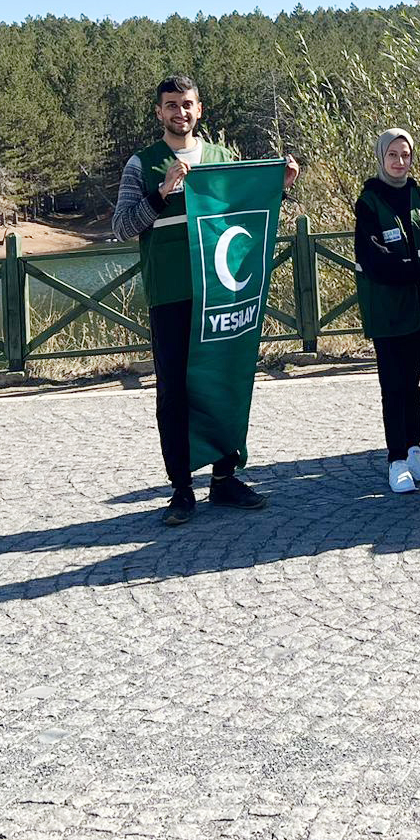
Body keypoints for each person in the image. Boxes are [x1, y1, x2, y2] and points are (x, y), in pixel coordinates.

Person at [111, 76, 299, 527]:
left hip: (222, 293)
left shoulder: (221, 160)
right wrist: (163, 191)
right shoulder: (144, 164)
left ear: (200, 109)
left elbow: (249, 215)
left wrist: (282, 186)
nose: (181, 113)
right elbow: (122, 226)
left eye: (187, 105)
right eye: (171, 105)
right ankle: (180, 489)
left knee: (225, 380)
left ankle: (225, 478)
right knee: (174, 392)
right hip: (172, 296)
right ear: (159, 112)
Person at [353, 129, 420, 493]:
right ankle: (395, 459)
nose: (400, 161)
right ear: (381, 157)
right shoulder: (369, 200)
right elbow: (373, 259)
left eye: (405, 154)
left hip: (418, 309)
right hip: (388, 308)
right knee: (393, 385)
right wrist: (419, 276)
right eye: (393, 154)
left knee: (413, 384)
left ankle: (414, 450)